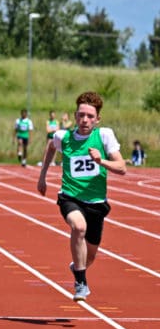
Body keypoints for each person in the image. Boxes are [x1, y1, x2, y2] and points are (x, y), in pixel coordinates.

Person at [37, 92, 126, 301]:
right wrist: (42, 177)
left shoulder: (104, 136)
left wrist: (101, 161)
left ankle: (78, 268)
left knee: (90, 256)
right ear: (75, 116)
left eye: (90, 116)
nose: (85, 120)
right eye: (81, 115)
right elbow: (50, 147)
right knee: (78, 227)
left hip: (96, 203)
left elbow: (122, 167)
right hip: (70, 197)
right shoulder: (63, 137)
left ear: (97, 119)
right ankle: (80, 282)